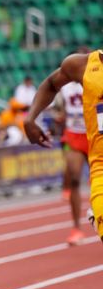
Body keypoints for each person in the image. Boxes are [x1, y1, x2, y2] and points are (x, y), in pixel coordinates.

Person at [23, 52, 103, 245]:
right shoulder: (81, 65)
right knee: (74, 178)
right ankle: (77, 227)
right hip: (88, 147)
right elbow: (51, 84)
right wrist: (30, 118)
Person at [52, 81, 88, 243]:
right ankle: (76, 229)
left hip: (95, 136)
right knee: (74, 180)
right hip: (74, 135)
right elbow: (58, 110)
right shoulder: (64, 88)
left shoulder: (96, 79)